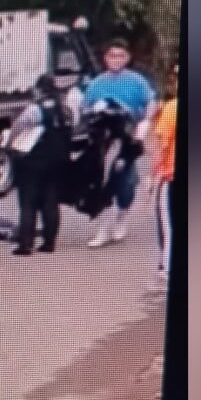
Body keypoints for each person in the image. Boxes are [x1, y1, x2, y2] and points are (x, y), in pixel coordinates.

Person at [82, 38, 158, 247]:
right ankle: (103, 228)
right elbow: (84, 107)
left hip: (128, 140)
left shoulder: (137, 81)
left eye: (120, 56)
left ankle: (122, 216)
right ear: (105, 58)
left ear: (127, 58)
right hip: (103, 141)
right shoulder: (97, 83)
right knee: (103, 181)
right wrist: (93, 111)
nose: (115, 60)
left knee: (125, 181)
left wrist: (145, 121)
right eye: (111, 56)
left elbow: (151, 102)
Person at [9, 75, 72, 255]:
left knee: (28, 202)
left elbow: (18, 127)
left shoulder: (35, 109)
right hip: (57, 161)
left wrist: (9, 144)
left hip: (33, 162)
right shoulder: (64, 110)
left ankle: (25, 245)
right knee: (51, 201)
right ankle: (49, 243)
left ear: (39, 89)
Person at [150, 62, 178, 279]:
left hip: (172, 177)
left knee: (169, 228)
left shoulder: (172, 109)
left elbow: (161, 145)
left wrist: (154, 177)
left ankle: (167, 268)